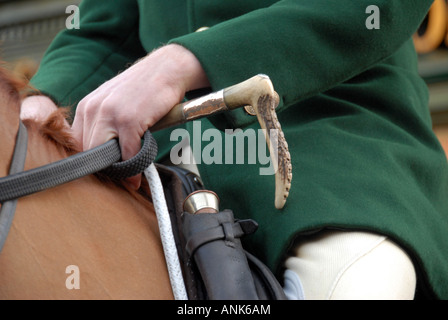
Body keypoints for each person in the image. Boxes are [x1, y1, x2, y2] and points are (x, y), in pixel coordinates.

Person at [21, 0, 448, 299]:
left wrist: (182, 62)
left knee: (348, 284)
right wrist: (44, 100)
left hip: (333, 147)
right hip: (165, 163)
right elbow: (103, 33)